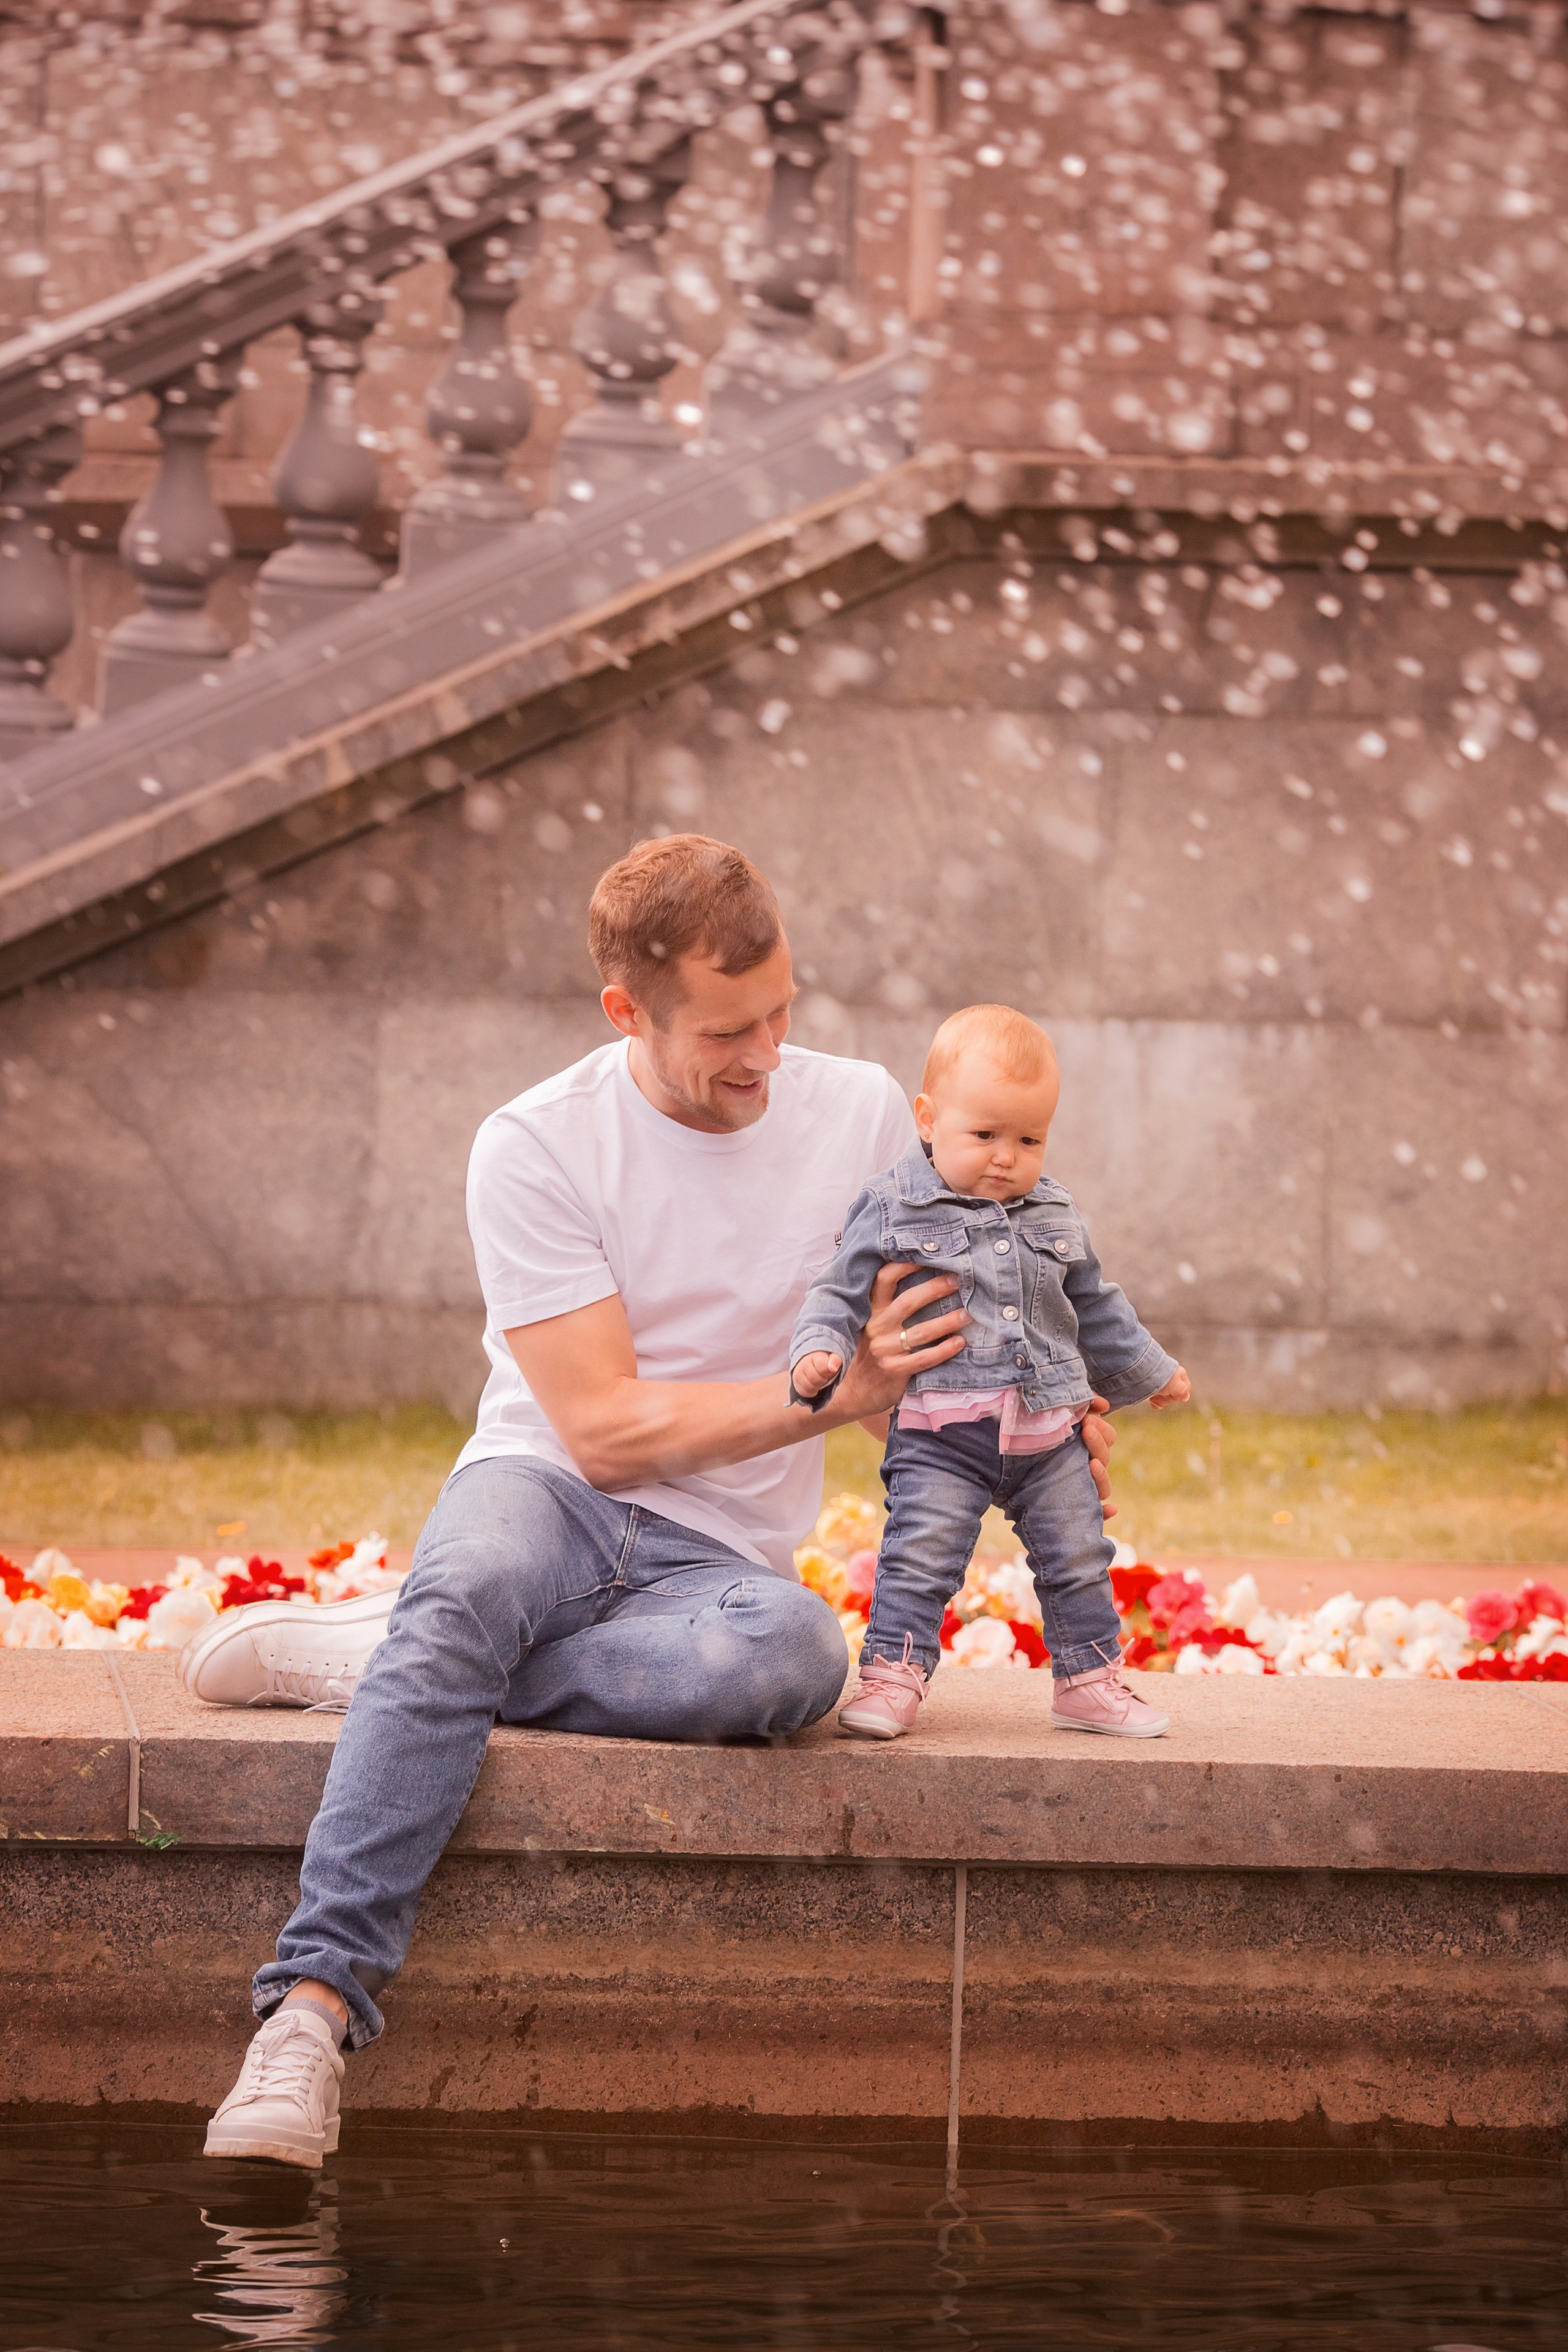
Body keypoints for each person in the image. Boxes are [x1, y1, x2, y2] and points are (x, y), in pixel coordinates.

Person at [185, 836, 1119, 2169]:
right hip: (545, 1490)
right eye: (727, 1031)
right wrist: (828, 1395)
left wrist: (1042, 1407)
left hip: (716, 1567)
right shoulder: (535, 1145)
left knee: (789, 1656)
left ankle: (409, 1662)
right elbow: (606, 1431)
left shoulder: (859, 1114)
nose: (764, 1055)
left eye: (782, 1013)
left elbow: (954, 1324)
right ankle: (306, 2018)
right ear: (625, 1009)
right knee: (478, 1579)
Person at [790, 1002, 1189, 1743]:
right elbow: (838, 1290)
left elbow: (1094, 1305)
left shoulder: (1055, 1213)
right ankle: (892, 1678)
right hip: (942, 1430)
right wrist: (820, 1348)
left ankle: (1089, 1680)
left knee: (1079, 1558)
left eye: (1028, 1138)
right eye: (984, 1135)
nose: (1006, 1156)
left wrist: (1150, 1370)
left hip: (1047, 1430)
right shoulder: (892, 1206)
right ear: (927, 1118)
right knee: (920, 1556)